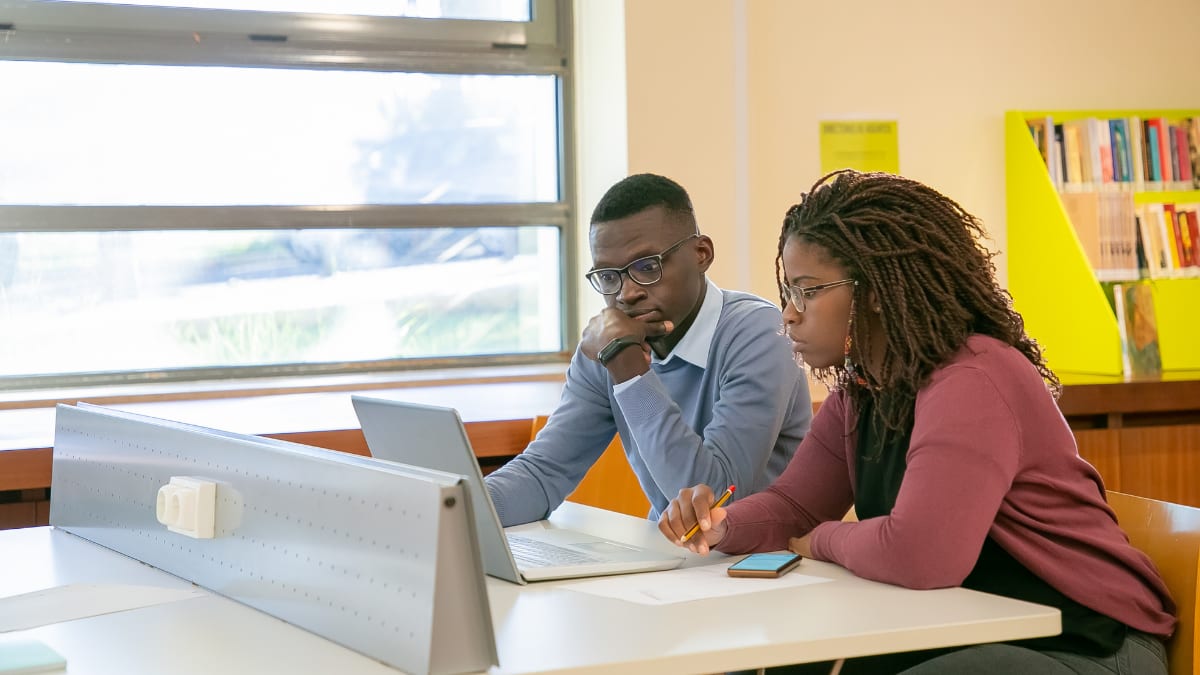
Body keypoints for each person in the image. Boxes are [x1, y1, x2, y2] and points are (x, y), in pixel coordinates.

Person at [658, 170, 1175, 674]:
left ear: (877, 290)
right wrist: (722, 525)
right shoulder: (866, 386)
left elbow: (921, 555)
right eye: (789, 292)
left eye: (808, 291)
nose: (789, 314)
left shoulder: (973, 378)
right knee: (797, 661)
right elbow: (794, 505)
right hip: (969, 624)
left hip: (1089, 645)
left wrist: (822, 540)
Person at [485, 173, 813, 526]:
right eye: (609, 276)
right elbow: (542, 474)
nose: (627, 293)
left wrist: (631, 376)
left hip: (763, 564)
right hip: (673, 564)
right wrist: (455, 510)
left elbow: (711, 504)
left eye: (646, 267)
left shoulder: (759, 333)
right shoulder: (609, 345)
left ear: (701, 254)